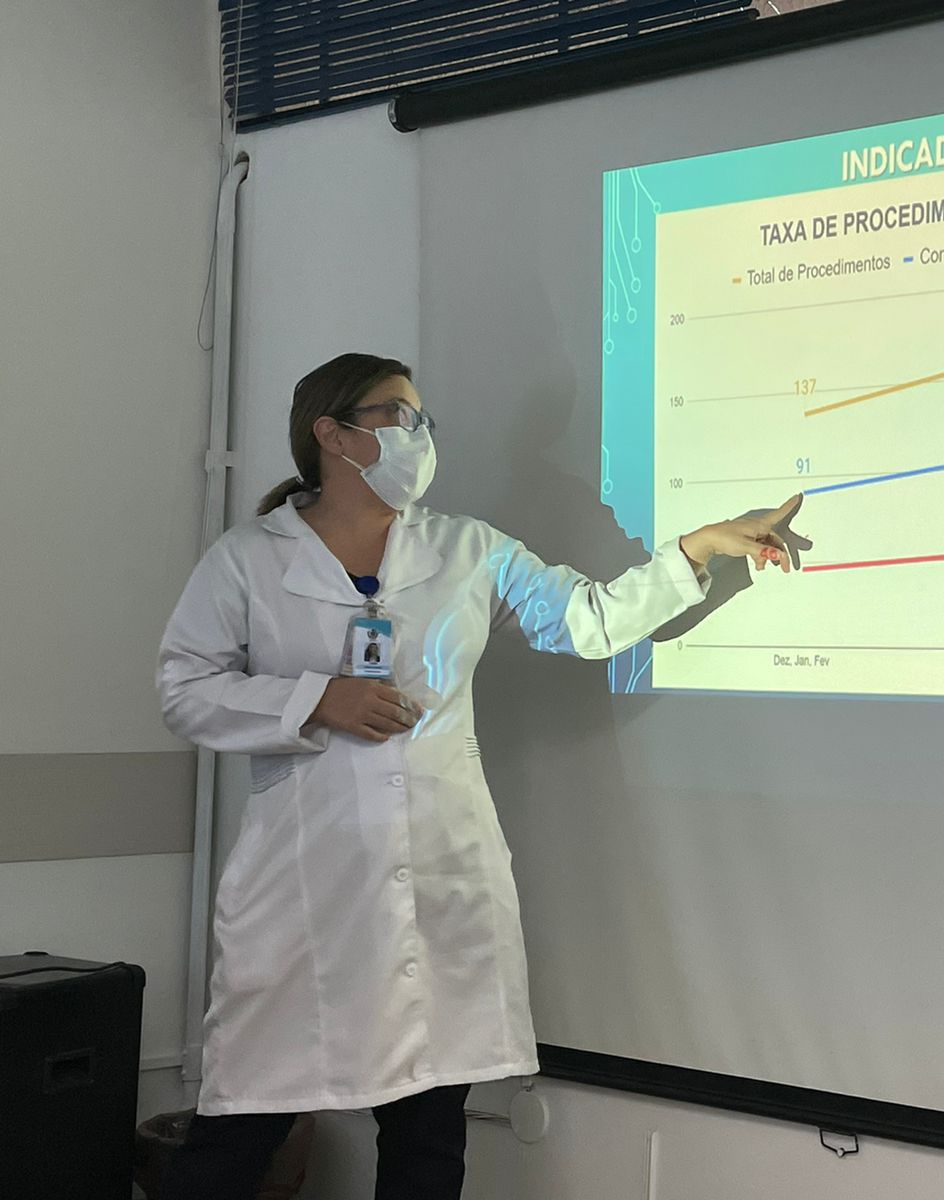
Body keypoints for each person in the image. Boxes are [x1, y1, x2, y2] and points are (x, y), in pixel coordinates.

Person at [156, 353, 801, 1200]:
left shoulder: (466, 549)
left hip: (440, 878)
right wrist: (318, 700)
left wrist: (699, 548)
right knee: (242, 1126)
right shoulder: (248, 558)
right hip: (307, 885)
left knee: (427, 1139)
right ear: (332, 434)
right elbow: (186, 689)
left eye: (424, 419)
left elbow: (589, 620)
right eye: (399, 415)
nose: (420, 435)